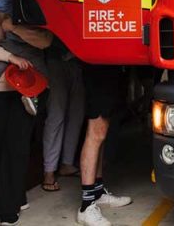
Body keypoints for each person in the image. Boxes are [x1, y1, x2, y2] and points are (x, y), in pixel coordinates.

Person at [0, 0, 53, 225]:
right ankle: (15, 196)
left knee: (15, 147)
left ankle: (8, 209)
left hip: (27, 89)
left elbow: (45, 40)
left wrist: (13, 28)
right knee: (0, 146)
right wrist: (10, 57)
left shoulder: (33, 11)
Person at [75, 63, 132, 226]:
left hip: (111, 69)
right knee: (95, 133)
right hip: (98, 70)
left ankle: (97, 192)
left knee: (102, 132)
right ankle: (86, 206)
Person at [41, 42, 84, 192]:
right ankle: (49, 171)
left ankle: (67, 163)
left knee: (76, 116)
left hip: (79, 61)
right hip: (55, 58)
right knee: (56, 115)